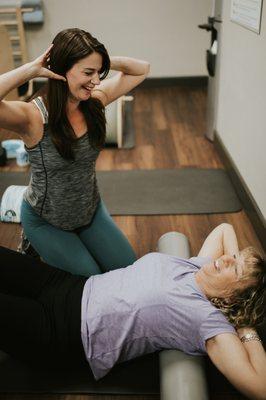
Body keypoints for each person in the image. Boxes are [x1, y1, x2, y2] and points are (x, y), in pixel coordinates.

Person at [0, 223, 265, 399]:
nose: (228, 258)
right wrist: (237, 270)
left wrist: (244, 323)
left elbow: (260, 386)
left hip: (62, 334)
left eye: (236, 268)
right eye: (235, 256)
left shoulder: (206, 320)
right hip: (67, 286)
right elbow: (225, 229)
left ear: (234, 297)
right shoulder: (197, 266)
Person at [0, 28, 150, 276]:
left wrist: (104, 60)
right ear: (62, 70)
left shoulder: (95, 102)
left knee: (128, 270)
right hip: (46, 221)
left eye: (99, 72)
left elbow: (142, 69)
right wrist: (31, 69)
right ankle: (33, 245)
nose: (97, 81)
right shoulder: (34, 117)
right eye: (88, 72)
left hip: (90, 211)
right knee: (89, 278)